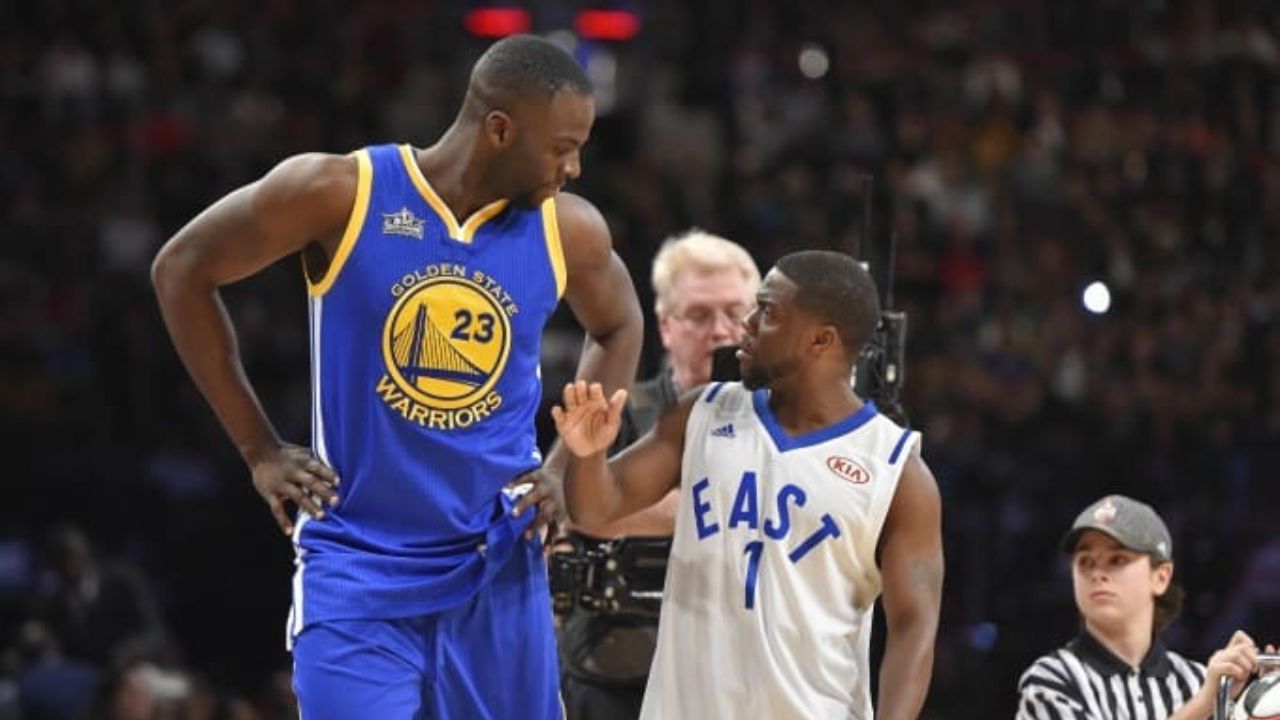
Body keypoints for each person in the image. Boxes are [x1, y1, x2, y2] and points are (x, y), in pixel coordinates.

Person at [151, 35, 643, 719]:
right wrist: (258, 448)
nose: (574, 168)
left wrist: (562, 469)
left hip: (497, 564)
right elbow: (181, 270)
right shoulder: (340, 193)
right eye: (561, 148)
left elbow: (619, 325)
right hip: (358, 567)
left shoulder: (570, 232)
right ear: (500, 130)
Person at [552, 250, 944, 719]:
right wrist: (588, 453)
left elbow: (914, 626)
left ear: (821, 339)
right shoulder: (702, 411)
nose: (748, 323)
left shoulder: (896, 470)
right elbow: (595, 507)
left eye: (768, 312)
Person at [557, 229, 760, 719]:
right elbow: (571, 507)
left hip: (739, 672)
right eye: (699, 315)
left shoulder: (784, 423)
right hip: (617, 662)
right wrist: (712, 506)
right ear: (666, 327)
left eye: (736, 314)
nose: (721, 331)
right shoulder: (616, 409)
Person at [1016, 494, 1275, 720]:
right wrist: (1203, 705)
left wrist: (1265, 700)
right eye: (1085, 561)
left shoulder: (1196, 680)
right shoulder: (1049, 681)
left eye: (1117, 559)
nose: (1097, 573)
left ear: (1160, 577)